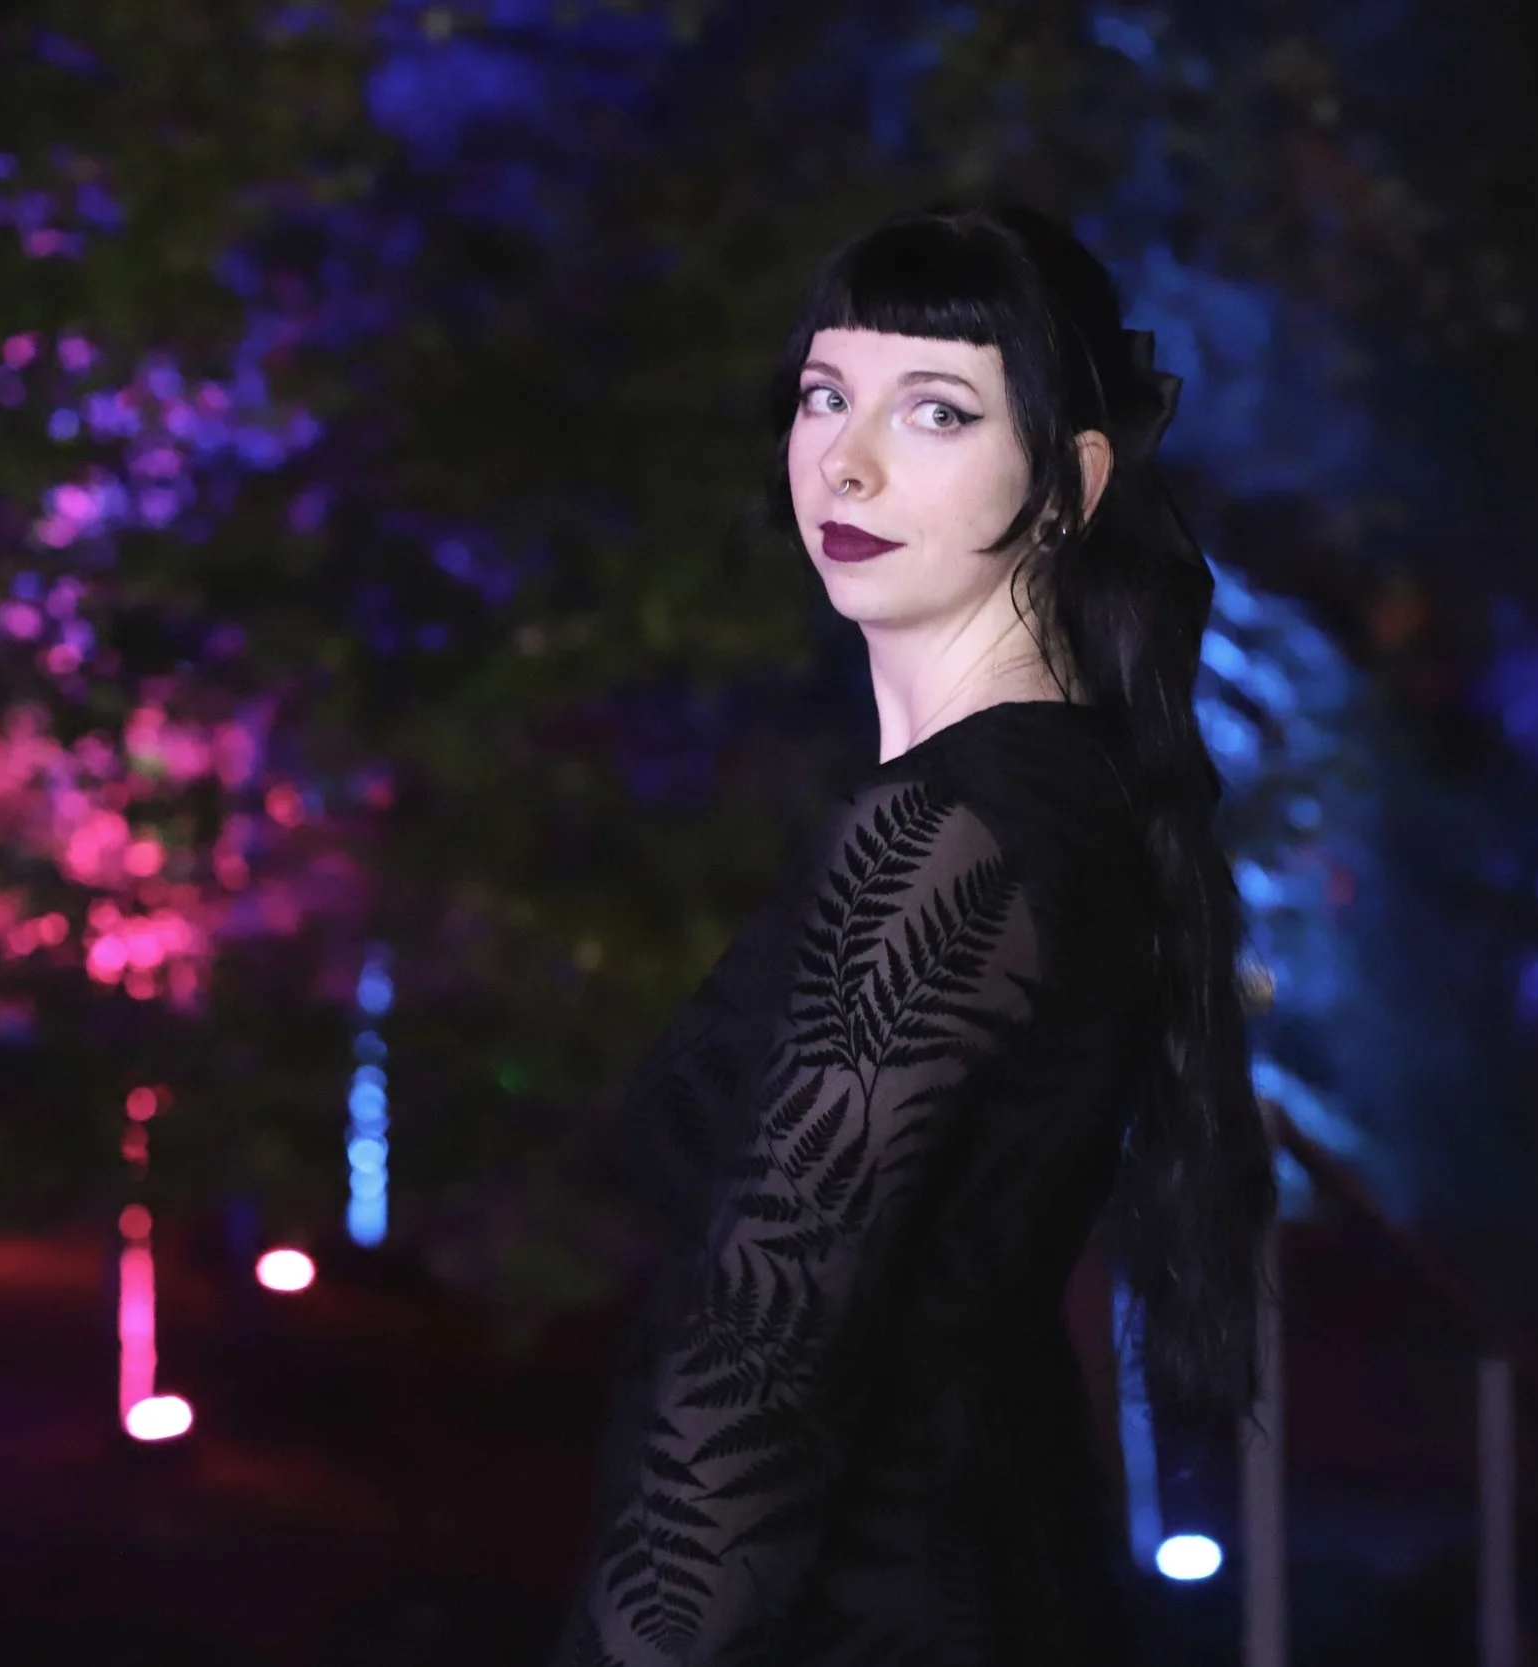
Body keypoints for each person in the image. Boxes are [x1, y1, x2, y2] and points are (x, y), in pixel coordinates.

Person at [546, 201, 1276, 1667]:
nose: (848, 459)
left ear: (1071, 482)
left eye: (936, 409)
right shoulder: (1046, 797)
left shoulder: (953, 833)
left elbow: (754, 1380)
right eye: (828, 394)